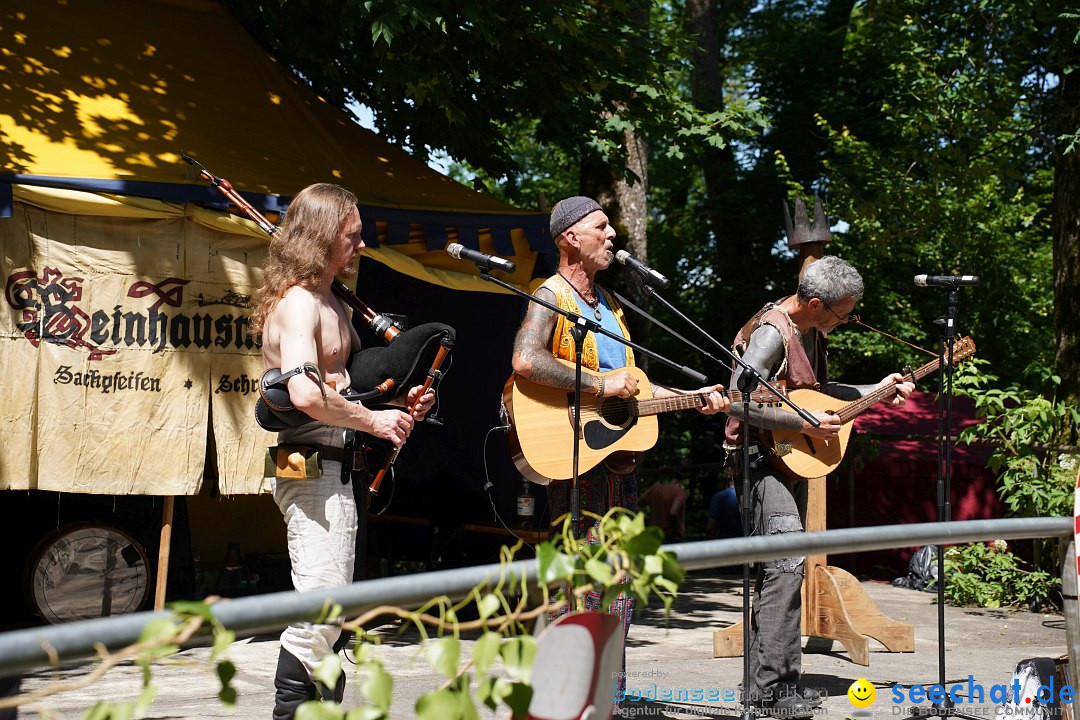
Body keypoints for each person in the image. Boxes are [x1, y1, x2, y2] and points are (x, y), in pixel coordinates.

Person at [510, 195, 730, 709]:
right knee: (582, 581)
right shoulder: (552, 294)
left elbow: (632, 391)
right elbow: (524, 360)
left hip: (618, 468)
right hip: (575, 457)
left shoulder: (609, 306)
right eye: (600, 227)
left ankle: (607, 692)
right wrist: (598, 385)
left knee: (618, 583)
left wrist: (693, 400)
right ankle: (573, 697)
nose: (612, 236)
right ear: (570, 238)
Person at [250, 183, 435, 719]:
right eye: (352, 236)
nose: (361, 245)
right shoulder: (299, 303)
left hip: (341, 466)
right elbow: (306, 393)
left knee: (334, 612)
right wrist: (375, 420)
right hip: (310, 466)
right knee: (320, 612)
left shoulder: (334, 302)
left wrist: (402, 400)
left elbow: (346, 386)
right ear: (321, 238)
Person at [722, 255, 913, 718]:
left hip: (791, 459)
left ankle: (771, 685)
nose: (847, 321)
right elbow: (736, 398)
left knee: (784, 567)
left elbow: (819, 392)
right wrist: (802, 419)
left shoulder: (809, 331)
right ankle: (773, 691)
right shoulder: (772, 333)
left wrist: (876, 388)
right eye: (843, 314)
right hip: (759, 461)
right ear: (814, 303)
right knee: (785, 567)